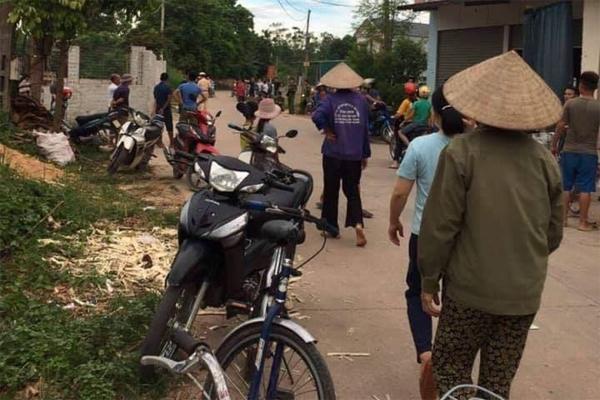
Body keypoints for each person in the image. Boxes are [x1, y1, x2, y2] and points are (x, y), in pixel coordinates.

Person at [418, 51, 563, 399]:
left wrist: (429, 279)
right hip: (522, 297)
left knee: (451, 369)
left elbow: (441, 226)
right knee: (497, 384)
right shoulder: (545, 160)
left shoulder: (461, 152)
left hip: (469, 292)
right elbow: (553, 234)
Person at [388, 86, 465, 400]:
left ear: (433, 113)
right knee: (456, 299)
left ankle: (426, 353)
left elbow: (400, 193)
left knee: (418, 293)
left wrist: (393, 221)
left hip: (425, 236)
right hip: (464, 241)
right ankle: (453, 362)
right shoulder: (474, 148)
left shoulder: (420, 146)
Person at [311, 62, 370, 247]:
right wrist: (365, 154)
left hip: (333, 153)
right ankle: (358, 224)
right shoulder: (361, 100)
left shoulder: (329, 100)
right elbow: (365, 130)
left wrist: (326, 130)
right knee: (353, 191)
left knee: (331, 190)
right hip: (354, 154)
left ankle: (331, 227)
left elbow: (316, 116)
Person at [553, 71, 600, 232]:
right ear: (596, 87)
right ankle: (583, 222)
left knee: (566, 185)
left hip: (569, 150)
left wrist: (554, 144)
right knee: (586, 188)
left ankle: (563, 220)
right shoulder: (598, 106)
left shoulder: (570, 104)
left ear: (580, 85)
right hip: (589, 152)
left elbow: (560, 126)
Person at [390, 82, 418, 168]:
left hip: (406, 123)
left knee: (399, 141)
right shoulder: (419, 101)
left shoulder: (406, 102)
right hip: (417, 124)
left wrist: (394, 116)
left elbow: (399, 114)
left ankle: (395, 161)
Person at [153, 72, 174, 148]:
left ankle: (159, 142)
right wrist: (163, 108)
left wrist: (157, 109)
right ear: (167, 79)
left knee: (159, 126)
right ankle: (171, 143)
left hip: (158, 109)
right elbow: (169, 99)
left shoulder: (156, 87)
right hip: (166, 110)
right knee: (169, 126)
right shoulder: (168, 87)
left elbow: (156, 98)